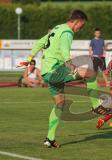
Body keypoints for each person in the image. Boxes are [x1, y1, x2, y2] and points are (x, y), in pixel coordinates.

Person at [23, 9, 94, 148]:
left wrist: (29, 57)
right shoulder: (67, 32)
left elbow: (40, 42)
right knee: (90, 73)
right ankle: (97, 105)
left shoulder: (57, 28)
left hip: (46, 73)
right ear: (77, 21)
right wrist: (69, 64)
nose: (81, 28)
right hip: (55, 70)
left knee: (60, 103)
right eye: (82, 25)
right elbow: (64, 49)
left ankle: (49, 139)